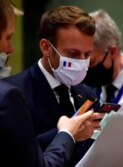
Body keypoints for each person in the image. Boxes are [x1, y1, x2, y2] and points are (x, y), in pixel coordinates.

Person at [0, 0, 103, 166]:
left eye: (87, 54)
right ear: (46, 48)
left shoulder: (88, 96)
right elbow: (18, 155)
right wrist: (67, 133)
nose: (82, 62)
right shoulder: (13, 93)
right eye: (73, 53)